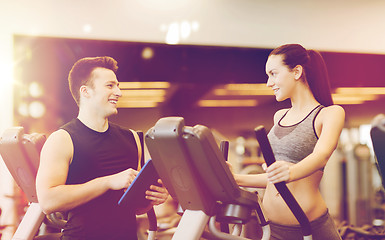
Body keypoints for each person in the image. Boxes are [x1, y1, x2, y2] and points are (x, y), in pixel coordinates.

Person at [36, 56, 169, 240]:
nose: (119, 92)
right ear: (86, 91)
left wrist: (151, 198)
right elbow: (48, 201)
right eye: (110, 85)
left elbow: (135, 206)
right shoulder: (62, 139)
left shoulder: (132, 138)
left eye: (118, 85)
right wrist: (107, 182)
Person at [232, 44, 345, 240]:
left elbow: (321, 156)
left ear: (297, 72)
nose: (269, 83)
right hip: (273, 229)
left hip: (310, 229)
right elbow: (274, 180)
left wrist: (291, 171)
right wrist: (234, 178)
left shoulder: (329, 114)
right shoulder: (280, 117)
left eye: (273, 74)